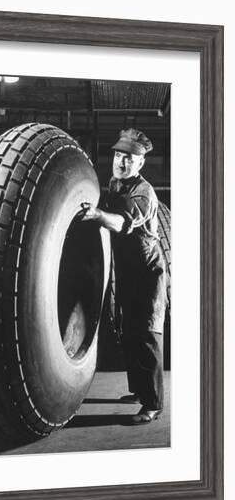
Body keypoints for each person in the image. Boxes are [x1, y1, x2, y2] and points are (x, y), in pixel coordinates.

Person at [79, 128, 167, 425]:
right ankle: (140, 391)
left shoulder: (144, 192)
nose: (121, 162)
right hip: (127, 269)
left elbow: (122, 223)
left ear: (140, 163)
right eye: (118, 155)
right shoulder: (116, 183)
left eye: (129, 158)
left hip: (148, 271)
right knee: (129, 331)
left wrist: (98, 216)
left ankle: (153, 404)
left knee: (147, 335)